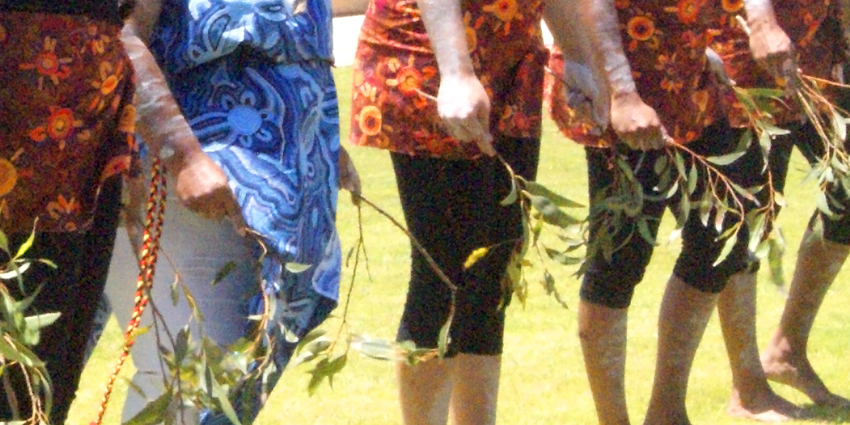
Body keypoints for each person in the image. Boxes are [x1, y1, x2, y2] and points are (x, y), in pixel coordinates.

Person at [99, 0, 360, 423]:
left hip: (273, 190)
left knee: (222, 378)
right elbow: (119, 34)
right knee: (189, 378)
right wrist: (183, 157)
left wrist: (319, 144)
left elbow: (286, 54)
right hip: (189, 181)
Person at [544, 0, 804, 422]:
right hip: (619, 80)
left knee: (728, 228)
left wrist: (701, 49)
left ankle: (667, 410)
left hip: (684, 70)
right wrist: (623, 95)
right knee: (620, 258)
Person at [348, 0, 591, 423]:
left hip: (510, 61)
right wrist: (457, 73)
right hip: (430, 56)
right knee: (443, 273)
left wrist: (582, 58)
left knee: (494, 267)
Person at [0, 1, 234, 423]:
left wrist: (124, 151)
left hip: (86, 151)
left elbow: (119, 27)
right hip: (19, 135)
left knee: (45, 381)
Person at [708, 0, 850, 409]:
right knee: (752, 213)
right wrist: (761, 17)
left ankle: (786, 352)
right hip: (749, 40)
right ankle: (748, 386)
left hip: (818, 42)